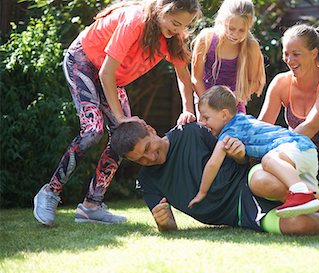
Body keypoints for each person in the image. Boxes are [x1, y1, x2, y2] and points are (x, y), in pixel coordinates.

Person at [33, 0, 202, 226]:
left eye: (184, 25)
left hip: (112, 80)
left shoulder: (172, 38)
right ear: (161, 9)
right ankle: (50, 192)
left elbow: (183, 76)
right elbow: (106, 73)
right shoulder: (135, 21)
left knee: (125, 140)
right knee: (93, 131)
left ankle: (92, 205)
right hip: (83, 62)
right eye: (175, 22)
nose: (178, 30)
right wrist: (121, 118)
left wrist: (188, 110)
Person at [111, 121, 319, 240]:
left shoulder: (190, 131)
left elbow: (240, 152)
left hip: (247, 180)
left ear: (150, 130)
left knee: (269, 185)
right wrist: (164, 222)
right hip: (243, 216)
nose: (150, 158)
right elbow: (170, 228)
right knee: (297, 224)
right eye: (141, 159)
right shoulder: (148, 180)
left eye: (148, 148)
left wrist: (237, 155)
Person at [188, 85, 319, 218]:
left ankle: (299, 192)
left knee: (269, 160)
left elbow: (213, 164)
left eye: (206, 118)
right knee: (315, 206)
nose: (202, 122)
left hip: (293, 147)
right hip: (305, 151)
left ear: (224, 115)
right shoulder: (242, 120)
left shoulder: (229, 132)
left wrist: (202, 192)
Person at [258, 24, 319, 198]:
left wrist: (279, 151)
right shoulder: (280, 83)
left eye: (296, 54)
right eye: (286, 54)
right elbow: (262, 127)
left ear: (314, 53)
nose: (289, 60)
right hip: (302, 151)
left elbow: (310, 127)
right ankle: (302, 196)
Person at [191, 0, 265, 115]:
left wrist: (234, 97)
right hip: (205, 97)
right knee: (208, 132)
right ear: (222, 21)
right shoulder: (206, 39)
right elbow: (196, 78)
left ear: (249, 26)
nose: (235, 34)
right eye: (231, 28)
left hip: (233, 102)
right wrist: (206, 104)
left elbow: (253, 81)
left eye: (241, 30)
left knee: (234, 132)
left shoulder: (250, 46)